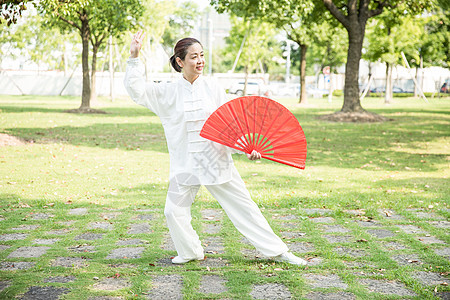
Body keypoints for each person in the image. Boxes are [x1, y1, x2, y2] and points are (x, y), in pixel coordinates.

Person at [124, 30, 307, 266]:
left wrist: (246, 149)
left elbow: (231, 124)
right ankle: (190, 251)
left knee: (244, 208)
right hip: (185, 164)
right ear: (180, 62)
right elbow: (137, 91)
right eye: (193, 57)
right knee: (173, 211)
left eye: (202, 55)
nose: (200, 61)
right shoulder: (167, 92)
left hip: (214, 159)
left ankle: (279, 252)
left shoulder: (213, 87)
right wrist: (134, 57)